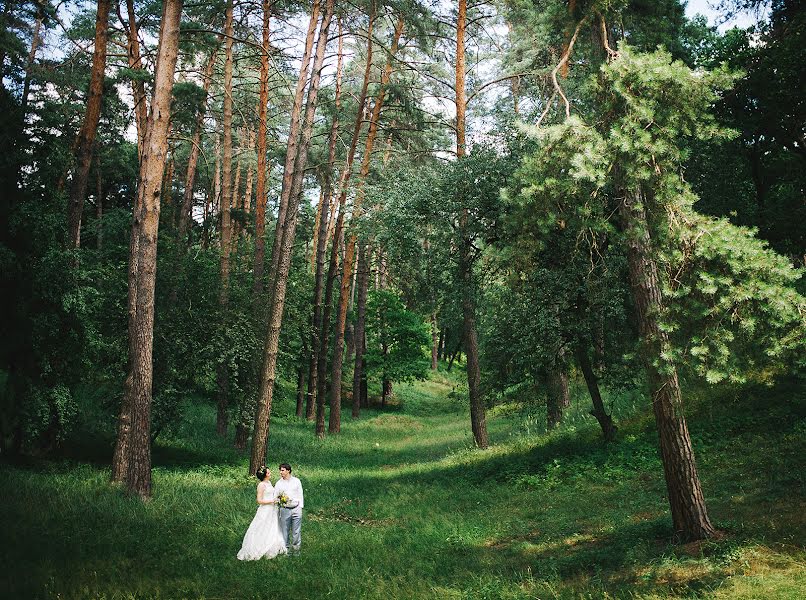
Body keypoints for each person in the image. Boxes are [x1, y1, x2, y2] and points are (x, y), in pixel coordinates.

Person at [236, 466, 287, 561]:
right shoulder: (261, 485)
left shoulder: (269, 483)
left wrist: (279, 498)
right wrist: (272, 501)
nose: (270, 473)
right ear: (264, 475)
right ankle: (257, 547)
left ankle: (272, 546)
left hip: (272, 509)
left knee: (272, 527)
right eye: (268, 473)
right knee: (261, 527)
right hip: (265, 510)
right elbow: (259, 500)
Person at [274, 463, 304, 555]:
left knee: (296, 531)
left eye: (282, 470)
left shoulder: (297, 481)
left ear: (288, 471)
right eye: (280, 470)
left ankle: (296, 550)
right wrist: (281, 502)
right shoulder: (278, 483)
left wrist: (300, 507)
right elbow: (275, 497)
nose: (280, 472)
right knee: (285, 531)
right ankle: (285, 550)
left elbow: (300, 494)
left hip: (296, 509)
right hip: (284, 509)